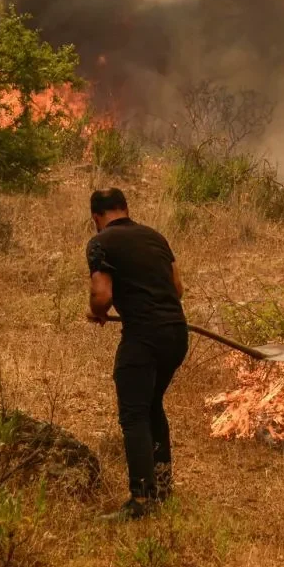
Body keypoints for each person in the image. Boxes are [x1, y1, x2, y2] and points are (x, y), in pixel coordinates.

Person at [85, 188, 187, 520]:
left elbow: (101, 295)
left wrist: (98, 310)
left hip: (144, 338)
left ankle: (142, 501)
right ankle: (162, 487)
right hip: (176, 333)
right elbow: (178, 288)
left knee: (134, 415)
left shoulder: (101, 242)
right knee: (152, 405)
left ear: (96, 218)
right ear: (126, 209)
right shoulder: (155, 236)